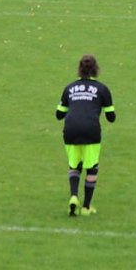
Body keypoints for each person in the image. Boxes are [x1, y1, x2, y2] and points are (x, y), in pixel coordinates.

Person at [56, 55, 115, 216]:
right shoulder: (102, 89)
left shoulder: (69, 88)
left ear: (79, 69)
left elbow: (59, 114)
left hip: (70, 130)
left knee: (74, 165)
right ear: (96, 69)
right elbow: (111, 117)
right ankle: (86, 207)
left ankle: (74, 197)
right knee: (92, 168)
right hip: (91, 130)